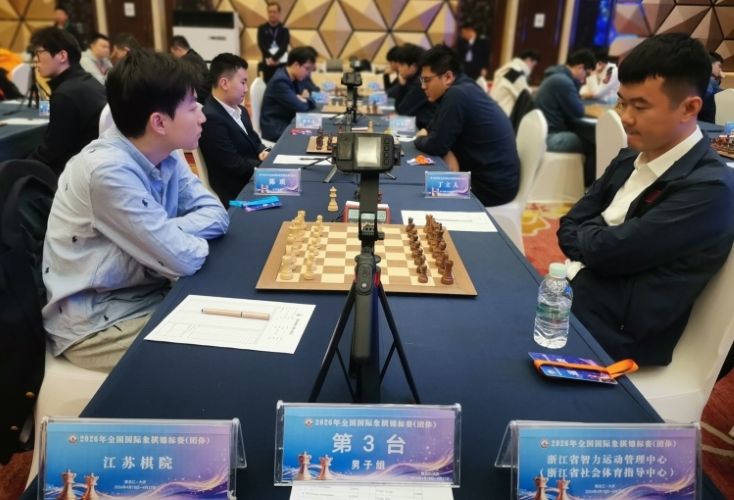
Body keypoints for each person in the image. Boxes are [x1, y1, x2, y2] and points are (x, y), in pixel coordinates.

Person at [42, 49, 229, 371]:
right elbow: (186, 258)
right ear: (159, 122)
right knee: (220, 357)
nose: (202, 116)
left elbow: (217, 213)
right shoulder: (107, 172)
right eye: (192, 106)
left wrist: (165, 235)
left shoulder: (165, 152)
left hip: (149, 293)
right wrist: (166, 244)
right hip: (99, 322)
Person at [557, 33, 734, 366]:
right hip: (574, 292)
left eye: (640, 106)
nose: (625, 117)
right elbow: (568, 225)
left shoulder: (710, 189)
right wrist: (596, 242)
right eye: (623, 103)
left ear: (689, 108)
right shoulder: (629, 157)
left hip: (616, 334)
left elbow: (609, 251)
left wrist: (593, 240)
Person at [414, 44, 520, 207]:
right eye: (422, 80)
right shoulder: (463, 86)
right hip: (493, 180)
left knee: (419, 189)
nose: (423, 86)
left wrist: (420, 138)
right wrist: (437, 142)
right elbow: (435, 128)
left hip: (490, 188)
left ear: (447, 77)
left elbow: (436, 145)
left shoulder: (457, 94)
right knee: (421, 181)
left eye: (427, 80)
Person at [28, 27, 106, 176]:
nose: (35, 60)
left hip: (75, 171)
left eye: (39, 53)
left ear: (62, 56)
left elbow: (51, 152)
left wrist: (21, 165)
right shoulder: (89, 81)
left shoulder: (65, 95)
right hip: (96, 163)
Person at [200, 53, 269, 205]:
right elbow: (233, 164)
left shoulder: (240, 110)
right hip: (238, 192)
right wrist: (268, 166)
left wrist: (265, 152)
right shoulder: (211, 118)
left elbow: (255, 141)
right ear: (224, 83)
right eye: (243, 82)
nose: (246, 89)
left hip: (253, 177)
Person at [534, 49, 596, 186]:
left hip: (543, 134)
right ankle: (588, 188)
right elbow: (578, 111)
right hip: (551, 137)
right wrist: (577, 84)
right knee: (594, 142)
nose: (585, 80)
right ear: (580, 67)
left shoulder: (555, 76)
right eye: (586, 74)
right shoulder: (563, 81)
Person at [260, 46, 316, 142]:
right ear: (296, 65)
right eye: (307, 68)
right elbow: (301, 107)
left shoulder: (293, 78)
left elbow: (308, 97)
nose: (308, 73)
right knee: (313, 134)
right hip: (277, 128)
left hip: (288, 121)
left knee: (318, 127)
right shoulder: (280, 81)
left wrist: (304, 99)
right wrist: (305, 99)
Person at [392, 43, 435, 129]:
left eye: (402, 65)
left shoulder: (420, 83)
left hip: (423, 128)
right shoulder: (413, 79)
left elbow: (401, 111)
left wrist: (402, 86)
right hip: (417, 125)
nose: (399, 69)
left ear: (413, 66)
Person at [490, 49, 540, 116]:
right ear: (528, 60)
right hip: (503, 115)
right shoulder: (516, 74)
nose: (532, 69)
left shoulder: (507, 69)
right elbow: (527, 97)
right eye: (533, 66)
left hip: (494, 110)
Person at [169, 35, 211, 104]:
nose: (173, 57)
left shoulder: (184, 62)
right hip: (206, 97)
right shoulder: (195, 56)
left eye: (173, 53)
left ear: (178, 49)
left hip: (200, 99)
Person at [257, 2, 290, 83]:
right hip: (268, 64)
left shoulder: (284, 29)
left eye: (274, 12)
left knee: (282, 85)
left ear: (279, 13)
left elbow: (284, 46)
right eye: (270, 12)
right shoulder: (262, 28)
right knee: (268, 86)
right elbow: (261, 45)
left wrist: (275, 58)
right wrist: (271, 58)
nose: (272, 14)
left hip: (281, 64)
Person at [699, 51, 724, 123]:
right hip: (708, 125)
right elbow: (724, 96)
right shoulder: (710, 81)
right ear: (710, 65)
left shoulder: (698, 79)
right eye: (719, 66)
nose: (720, 70)